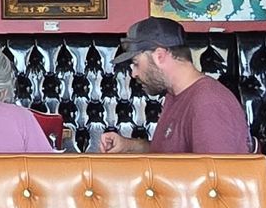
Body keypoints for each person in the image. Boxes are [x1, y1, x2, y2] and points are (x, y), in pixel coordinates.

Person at [98, 17, 252, 155]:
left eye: (136, 63)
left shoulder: (208, 103)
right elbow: (172, 155)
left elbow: (215, 182)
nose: (133, 74)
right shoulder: (175, 94)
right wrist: (128, 146)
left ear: (159, 56)